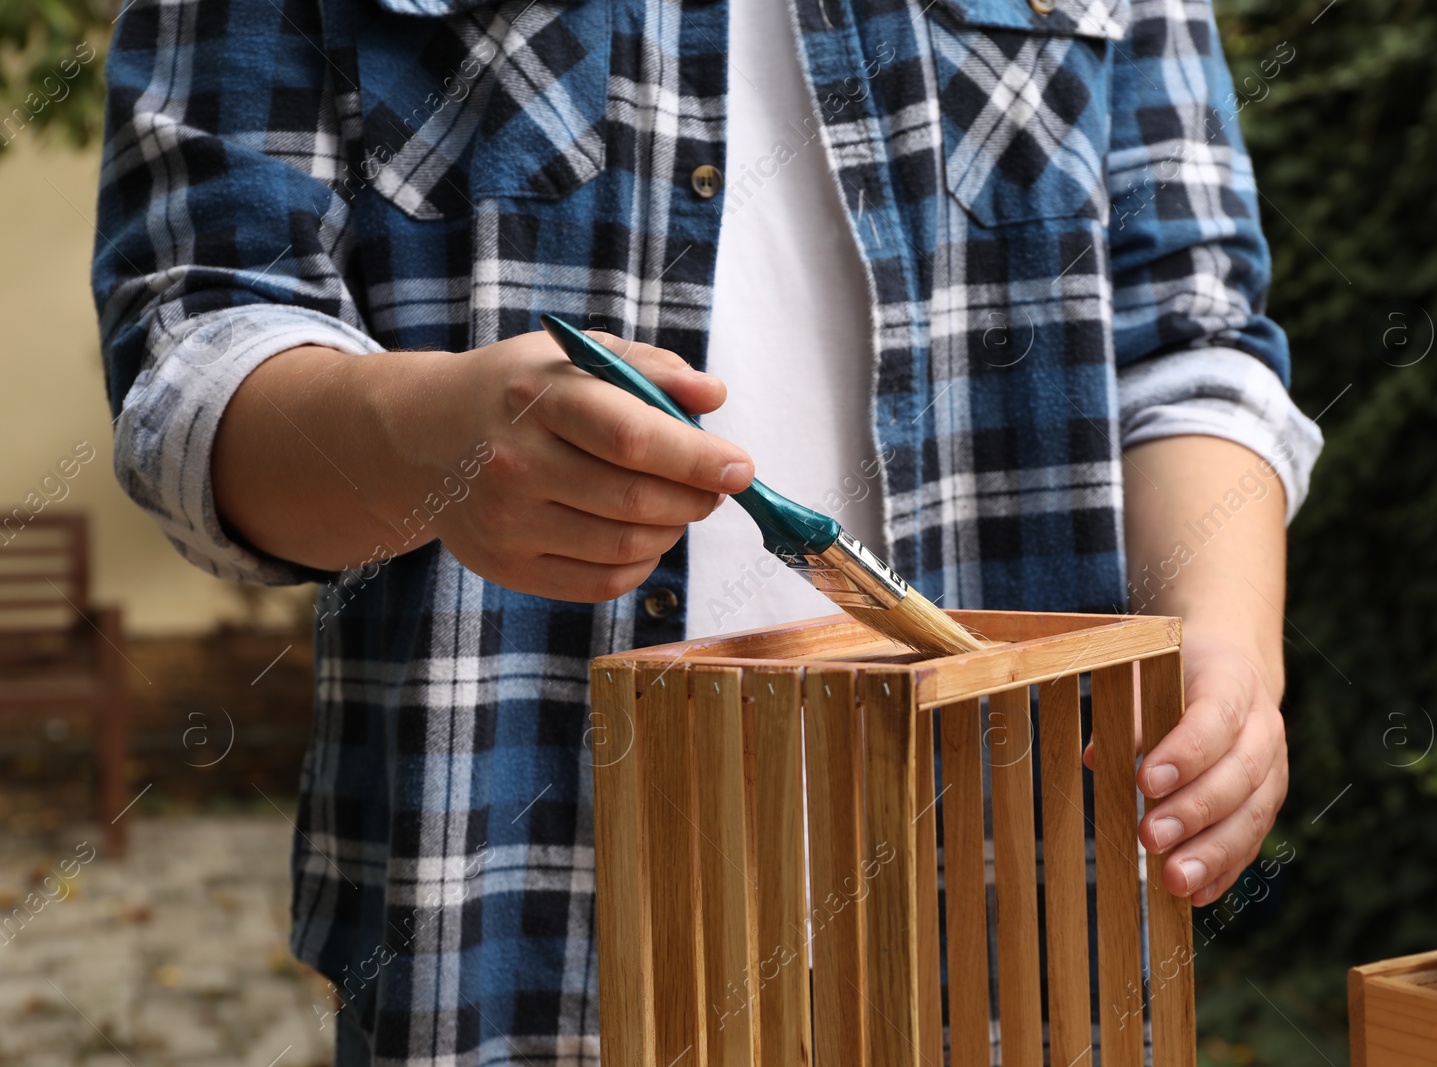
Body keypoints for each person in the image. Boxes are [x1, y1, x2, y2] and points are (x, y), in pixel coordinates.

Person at [93, 0, 1322, 1059]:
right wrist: (429, 449)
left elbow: (1190, 339)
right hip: (514, 956)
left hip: (1022, 936)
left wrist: (1222, 633)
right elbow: (194, 353)